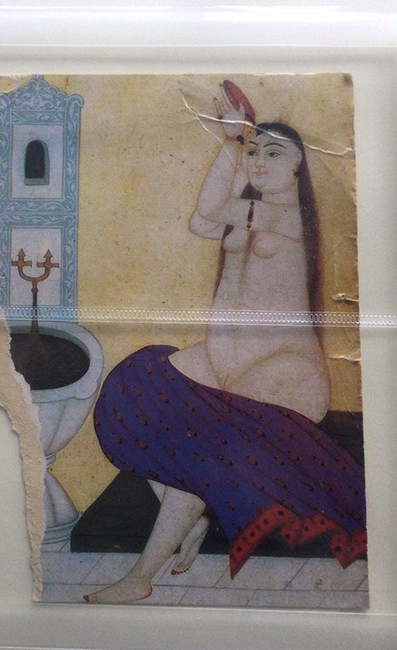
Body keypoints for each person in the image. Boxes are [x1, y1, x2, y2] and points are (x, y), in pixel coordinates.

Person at [85, 85, 366, 604]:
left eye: (274, 153)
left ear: (298, 166)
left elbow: (212, 206)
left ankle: (140, 577)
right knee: (136, 390)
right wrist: (237, 144)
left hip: (284, 372)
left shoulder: (286, 215)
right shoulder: (250, 207)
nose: (259, 161)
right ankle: (189, 521)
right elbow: (201, 221)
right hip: (227, 363)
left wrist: (233, 139)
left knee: (202, 441)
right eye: (255, 152)